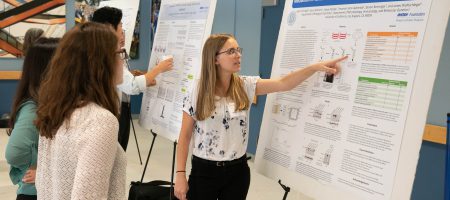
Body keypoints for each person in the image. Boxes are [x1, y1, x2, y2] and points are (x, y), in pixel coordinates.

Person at [174, 33, 347, 200]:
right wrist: (180, 174)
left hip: (237, 171)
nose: (238, 55)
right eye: (231, 51)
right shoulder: (198, 92)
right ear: (215, 59)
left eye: (238, 50)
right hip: (205, 171)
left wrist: (314, 67)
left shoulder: (245, 86)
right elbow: (185, 135)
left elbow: (283, 83)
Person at [34, 22, 126, 199]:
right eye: (119, 53)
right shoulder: (100, 121)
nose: (122, 61)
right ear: (101, 63)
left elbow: (43, 182)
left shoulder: (55, 110)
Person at [92, 6, 173, 151]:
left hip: (119, 109)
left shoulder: (101, 51)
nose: (123, 32)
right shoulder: (105, 55)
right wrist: (159, 68)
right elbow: (132, 86)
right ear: (109, 28)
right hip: (111, 112)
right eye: (120, 26)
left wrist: (139, 76)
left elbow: (124, 80)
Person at [5, 37, 59, 200]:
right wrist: (42, 170)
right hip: (36, 193)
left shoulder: (49, 103)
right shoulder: (33, 108)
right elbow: (15, 152)